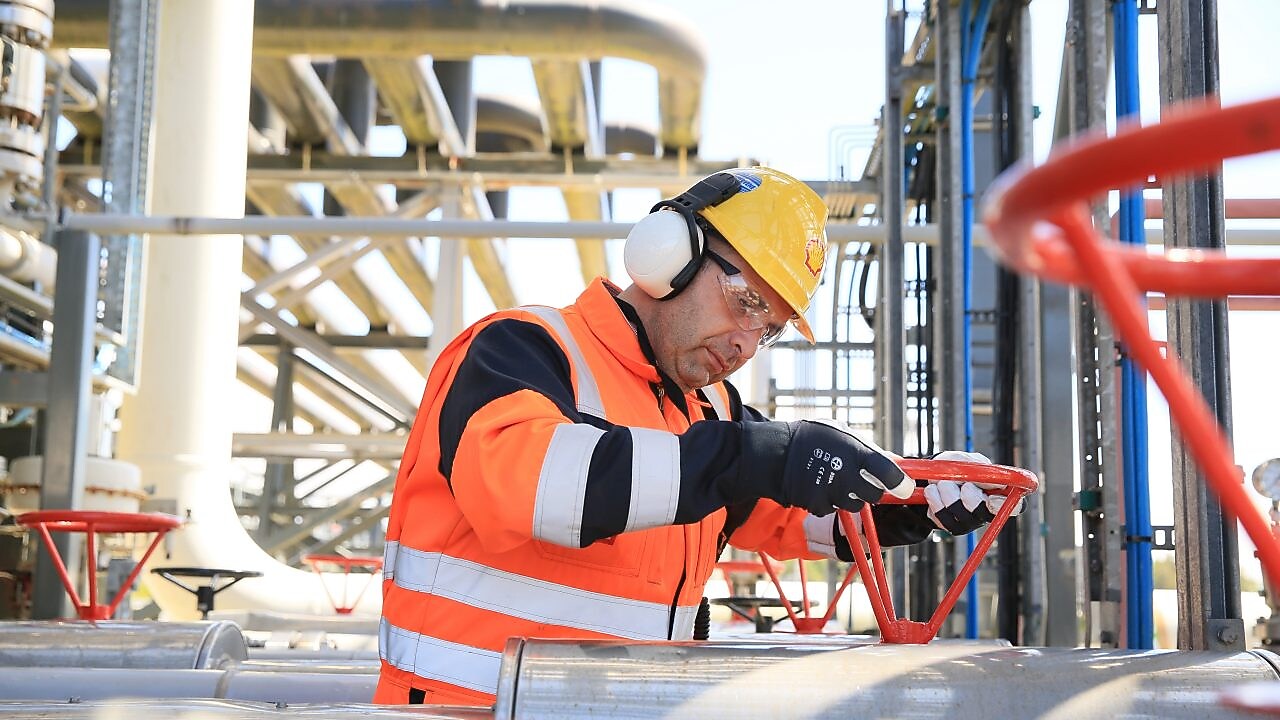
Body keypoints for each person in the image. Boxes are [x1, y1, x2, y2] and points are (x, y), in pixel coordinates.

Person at [374, 167, 1018, 706]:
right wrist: (751, 455)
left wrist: (913, 501)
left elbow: (785, 507)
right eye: (746, 302)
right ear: (669, 254)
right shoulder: (524, 348)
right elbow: (532, 486)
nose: (746, 345)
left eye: (769, 330)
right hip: (466, 711)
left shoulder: (708, 412)